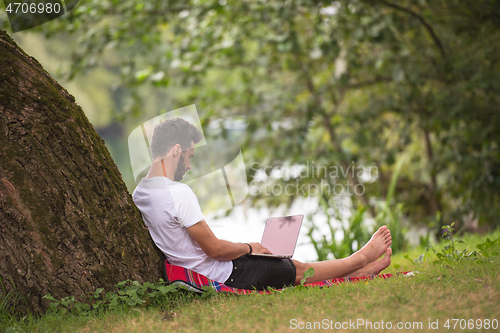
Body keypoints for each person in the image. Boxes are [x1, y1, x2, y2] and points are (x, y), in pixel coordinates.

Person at [132, 117, 392, 290]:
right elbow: (214, 249)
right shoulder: (178, 193)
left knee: (280, 263)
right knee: (295, 269)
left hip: (210, 267)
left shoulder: (139, 193)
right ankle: (360, 259)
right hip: (225, 273)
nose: (189, 165)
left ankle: (357, 273)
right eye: (189, 156)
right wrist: (247, 247)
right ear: (176, 150)